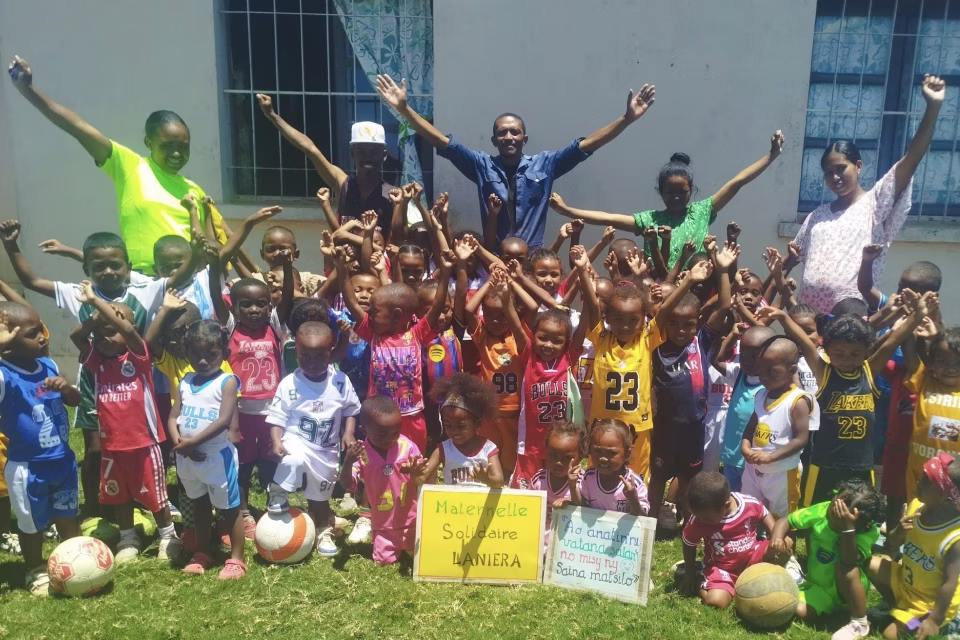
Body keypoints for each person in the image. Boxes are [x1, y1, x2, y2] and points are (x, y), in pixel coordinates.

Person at [0, 222, 193, 518]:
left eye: (115, 265)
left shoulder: (145, 290)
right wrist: (11, 245)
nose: (108, 272)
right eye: (99, 267)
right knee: (95, 449)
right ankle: (94, 508)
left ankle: (148, 499)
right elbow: (32, 280)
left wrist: (198, 250)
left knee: (142, 446)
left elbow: (181, 274)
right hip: (95, 381)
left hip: (135, 382)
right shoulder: (78, 293)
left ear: (128, 267)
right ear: (87, 270)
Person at [376, 74, 656, 248]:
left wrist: (626, 120)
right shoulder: (481, 165)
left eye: (515, 132)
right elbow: (440, 141)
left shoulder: (546, 165)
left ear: (524, 138)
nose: (508, 136)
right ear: (494, 140)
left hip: (532, 260)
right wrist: (405, 110)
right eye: (502, 132)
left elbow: (588, 145)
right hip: (494, 258)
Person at [7, 56, 226, 274]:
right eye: (167, 146)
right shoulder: (131, 166)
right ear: (149, 143)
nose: (176, 153)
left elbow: (211, 244)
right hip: (144, 281)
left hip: (190, 282)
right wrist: (28, 89)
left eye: (183, 146)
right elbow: (78, 127)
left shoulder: (195, 191)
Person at [759, 292, 931, 507]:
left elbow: (892, 342)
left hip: (861, 465)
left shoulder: (869, 371)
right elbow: (805, 342)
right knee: (815, 514)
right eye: (839, 354)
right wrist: (783, 318)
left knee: (859, 513)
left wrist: (917, 315)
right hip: (825, 464)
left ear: (866, 351)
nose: (847, 360)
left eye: (855, 354)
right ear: (827, 351)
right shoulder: (824, 372)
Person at [793, 75, 946, 313]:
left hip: (850, 320)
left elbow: (912, 159)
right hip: (808, 319)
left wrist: (932, 108)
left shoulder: (876, 204)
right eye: (828, 173)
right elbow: (793, 258)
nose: (835, 177)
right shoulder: (817, 216)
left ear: (858, 166)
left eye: (841, 168)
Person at [547, 130, 784, 269]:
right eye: (670, 193)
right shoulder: (650, 220)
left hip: (697, 290)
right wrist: (568, 211)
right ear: (660, 192)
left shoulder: (702, 212)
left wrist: (771, 155)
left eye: (683, 192)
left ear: (691, 190)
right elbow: (608, 218)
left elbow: (737, 182)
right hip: (659, 292)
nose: (677, 197)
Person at [70, 284, 179, 563]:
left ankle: (168, 536)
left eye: (112, 330)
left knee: (156, 494)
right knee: (119, 495)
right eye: (99, 334)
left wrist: (98, 303)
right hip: (112, 445)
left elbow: (129, 332)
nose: (104, 339)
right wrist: (95, 318)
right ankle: (128, 537)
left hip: (144, 444)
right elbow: (76, 337)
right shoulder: (96, 361)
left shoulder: (138, 357)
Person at [647, 244, 737, 527]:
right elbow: (661, 314)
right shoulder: (657, 345)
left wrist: (723, 271)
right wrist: (687, 281)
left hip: (694, 429)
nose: (680, 330)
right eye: (674, 324)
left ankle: (689, 522)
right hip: (664, 428)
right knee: (658, 477)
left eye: (688, 324)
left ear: (697, 323)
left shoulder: (701, 342)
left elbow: (724, 305)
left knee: (689, 478)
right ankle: (650, 521)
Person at [336, 246, 452, 451]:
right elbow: (352, 303)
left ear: (396, 315)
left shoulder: (416, 335)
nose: (369, 314)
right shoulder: (373, 335)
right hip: (379, 418)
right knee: (379, 462)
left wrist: (446, 271)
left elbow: (436, 307)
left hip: (412, 416)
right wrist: (341, 267)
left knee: (412, 461)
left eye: (375, 311)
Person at [0, 303, 82, 595]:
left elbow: (74, 400)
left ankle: (75, 561)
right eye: (33, 333)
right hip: (27, 467)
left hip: (63, 460)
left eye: (41, 329)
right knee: (30, 524)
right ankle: (35, 568)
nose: (43, 337)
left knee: (68, 515)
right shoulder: (4, 375)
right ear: (9, 341)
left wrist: (67, 389)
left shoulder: (47, 365)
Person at [266, 322, 361, 557]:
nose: (312, 362)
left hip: (326, 451)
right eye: (305, 356)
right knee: (293, 459)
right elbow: (277, 417)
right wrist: (277, 440)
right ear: (296, 352)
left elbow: (350, 410)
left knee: (320, 497)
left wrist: (348, 433)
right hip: (297, 440)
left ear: (331, 352)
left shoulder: (340, 381)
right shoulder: (289, 384)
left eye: (319, 356)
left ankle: (322, 531)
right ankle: (277, 491)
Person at [168, 321, 245, 579]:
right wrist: (179, 442)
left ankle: (237, 558)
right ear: (186, 353)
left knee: (229, 508)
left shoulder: (227, 382)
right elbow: (173, 416)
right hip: (188, 459)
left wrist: (193, 443)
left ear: (224, 352)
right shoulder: (185, 381)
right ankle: (203, 552)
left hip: (216, 459)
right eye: (195, 354)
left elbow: (223, 420)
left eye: (210, 354)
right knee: (199, 505)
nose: (202, 361)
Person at [256, 94, 397, 234]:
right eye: (361, 151)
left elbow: (398, 236)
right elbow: (309, 148)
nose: (368, 157)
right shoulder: (343, 184)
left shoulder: (394, 196)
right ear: (352, 154)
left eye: (374, 151)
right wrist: (272, 115)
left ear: (384, 155)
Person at [770, 479, 885, 640]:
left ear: (860, 522)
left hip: (846, 589)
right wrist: (777, 538)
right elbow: (787, 520)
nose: (832, 515)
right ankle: (826, 605)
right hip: (818, 585)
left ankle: (858, 620)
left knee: (845, 569)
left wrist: (848, 529)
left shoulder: (867, 532)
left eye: (840, 517)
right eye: (832, 508)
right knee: (795, 608)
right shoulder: (823, 510)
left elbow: (848, 560)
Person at [867, 453, 960, 640]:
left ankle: (944, 624)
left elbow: (950, 583)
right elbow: (891, 546)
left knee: (889, 635)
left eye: (927, 481)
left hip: (929, 604)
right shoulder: (916, 506)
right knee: (869, 564)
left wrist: (934, 619)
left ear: (946, 498)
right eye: (921, 476)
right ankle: (898, 609)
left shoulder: (954, 537)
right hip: (905, 583)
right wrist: (898, 532)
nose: (918, 481)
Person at [679, 471, 784, 609]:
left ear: (726, 506)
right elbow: (688, 542)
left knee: (785, 546)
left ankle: (779, 575)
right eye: (697, 516)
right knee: (717, 602)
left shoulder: (749, 504)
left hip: (753, 557)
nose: (701, 520)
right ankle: (702, 578)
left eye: (706, 518)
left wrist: (775, 537)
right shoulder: (699, 519)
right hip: (722, 569)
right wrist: (690, 574)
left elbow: (764, 514)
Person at [740, 337, 819, 519]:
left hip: (782, 473)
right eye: (761, 371)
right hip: (754, 470)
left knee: (781, 518)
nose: (764, 376)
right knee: (750, 509)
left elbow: (801, 439)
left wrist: (771, 457)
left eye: (772, 371)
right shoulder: (761, 395)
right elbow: (751, 428)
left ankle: (778, 537)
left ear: (791, 370)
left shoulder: (798, 401)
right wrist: (745, 447)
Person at [341, 396, 420, 565]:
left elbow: (423, 478)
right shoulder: (361, 454)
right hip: (383, 524)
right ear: (364, 430)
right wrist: (347, 462)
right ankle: (385, 540)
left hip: (411, 520)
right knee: (383, 561)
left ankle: (407, 544)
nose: (391, 438)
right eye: (382, 434)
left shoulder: (407, 447)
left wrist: (416, 472)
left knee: (421, 556)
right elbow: (348, 484)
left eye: (396, 432)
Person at [407, 372, 505, 488]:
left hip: (481, 500)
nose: (454, 431)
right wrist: (414, 474)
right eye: (448, 425)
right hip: (453, 500)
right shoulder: (443, 450)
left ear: (476, 423)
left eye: (461, 426)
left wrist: (487, 479)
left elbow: (499, 481)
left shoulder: (488, 449)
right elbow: (421, 479)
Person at [712, 325, 774, 492]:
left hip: (755, 459)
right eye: (744, 353)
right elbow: (716, 360)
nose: (747, 360)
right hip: (732, 455)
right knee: (732, 496)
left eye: (755, 355)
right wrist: (732, 336)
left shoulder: (772, 384)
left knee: (751, 499)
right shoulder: (739, 374)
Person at [903, 324, 960, 504]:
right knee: (915, 516)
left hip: (955, 480)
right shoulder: (925, 380)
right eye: (943, 361)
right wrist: (914, 318)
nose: (950, 368)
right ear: (932, 364)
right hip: (920, 475)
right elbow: (909, 350)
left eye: (957, 362)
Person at [529, 420, 588, 546]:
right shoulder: (539, 480)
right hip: (540, 541)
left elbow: (589, 512)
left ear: (581, 457)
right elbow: (529, 509)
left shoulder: (584, 481)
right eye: (553, 455)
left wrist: (570, 501)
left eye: (567, 458)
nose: (558, 462)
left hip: (571, 542)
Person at [575, 419, 649, 516]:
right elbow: (583, 509)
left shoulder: (633, 483)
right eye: (598, 451)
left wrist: (633, 499)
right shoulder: (589, 477)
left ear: (627, 453)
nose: (603, 458)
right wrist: (573, 487)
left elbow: (642, 518)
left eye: (611, 453)